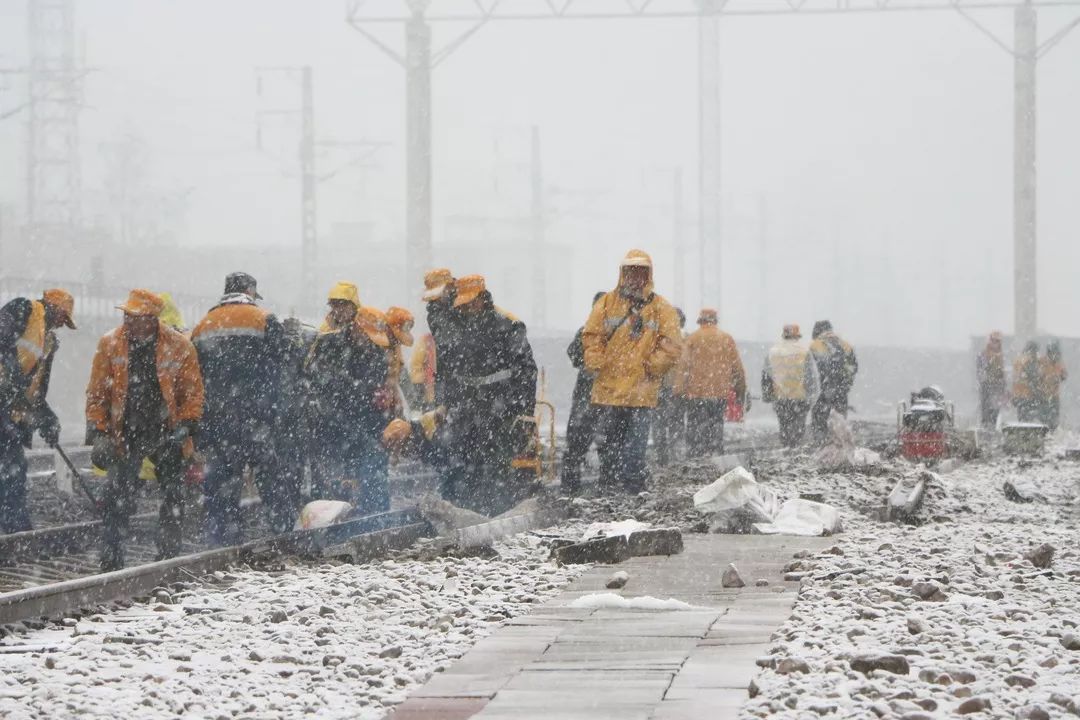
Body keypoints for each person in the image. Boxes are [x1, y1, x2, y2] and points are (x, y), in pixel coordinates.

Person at [86, 290, 204, 570]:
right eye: (127, 316)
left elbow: (192, 393)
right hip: (125, 432)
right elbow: (97, 393)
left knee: (173, 495)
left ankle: (167, 556)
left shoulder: (179, 346)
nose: (130, 321)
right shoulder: (110, 343)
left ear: (153, 319)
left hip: (166, 431)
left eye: (137, 317)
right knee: (118, 496)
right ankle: (111, 558)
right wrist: (98, 432)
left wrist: (186, 425)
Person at [191, 272, 289, 541]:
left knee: (221, 481)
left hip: (217, 418)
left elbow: (193, 374)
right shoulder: (263, 319)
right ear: (249, 290)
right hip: (258, 416)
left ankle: (221, 541)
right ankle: (283, 533)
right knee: (272, 478)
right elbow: (285, 360)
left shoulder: (203, 325)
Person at [582, 250, 682, 494]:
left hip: (640, 390)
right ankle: (610, 484)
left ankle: (631, 486)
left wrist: (651, 367)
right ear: (622, 274)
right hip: (611, 389)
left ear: (648, 275)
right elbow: (592, 336)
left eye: (640, 272)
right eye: (630, 271)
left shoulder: (661, 308)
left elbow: (671, 345)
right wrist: (596, 360)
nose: (634, 278)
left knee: (635, 444)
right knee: (609, 443)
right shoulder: (606, 303)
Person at [442, 275, 537, 515]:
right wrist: (447, 404)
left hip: (501, 409)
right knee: (465, 464)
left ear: (483, 299)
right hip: (466, 411)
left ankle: (495, 513)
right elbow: (448, 372)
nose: (467, 308)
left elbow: (526, 370)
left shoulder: (508, 327)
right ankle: (466, 512)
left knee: (496, 467)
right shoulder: (455, 331)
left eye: (471, 302)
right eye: (463, 304)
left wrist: (522, 410)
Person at [0, 289, 76, 533]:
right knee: (11, 468)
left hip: (9, 409)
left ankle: (15, 529)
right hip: (3, 402)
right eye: (63, 318)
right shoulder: (23, 308)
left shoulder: (49, 343)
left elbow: (36, 390)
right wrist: (10, 376)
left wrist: (47, 420)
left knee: (14, 469)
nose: (62, 324)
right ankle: (15, 528)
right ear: (54, 307)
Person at [303, 305, 390, 513]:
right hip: (328, 423)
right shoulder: (328, 344)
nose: (369, 342)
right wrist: (348, 387)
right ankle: (324, 525)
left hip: (362, 421)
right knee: (329, 481)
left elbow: (374, 388)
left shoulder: (377, 353)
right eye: (367, 336)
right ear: (357, 327)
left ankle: (372, 518)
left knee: (369, 473)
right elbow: (314, 380)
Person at [676, 308, 745, 456]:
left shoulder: (693, 339)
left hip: (696, 393)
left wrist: (679, 391)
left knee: (695, 427)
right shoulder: (726, 339)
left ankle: (696, 455)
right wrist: (741, 390)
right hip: (719, 392)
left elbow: (683, 367)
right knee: (716, 424)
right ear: (715, 321)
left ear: (700, 321)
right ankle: (715, 453)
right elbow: (737, 367)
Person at [560, 291, 606, 495]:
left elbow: (573, 355)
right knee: (609, 444)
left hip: (585, 394)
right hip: (609, 396)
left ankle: (570, 488)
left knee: (576, 444)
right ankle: (609, 485)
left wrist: (587, 364)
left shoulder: (586, 330)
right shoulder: (618, 333)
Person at [762, 324, 820, 448]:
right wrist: (812, 396)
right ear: (797, 336)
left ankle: (786, 446)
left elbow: (767, 375)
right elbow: (811, 376)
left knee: (784, 425)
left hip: (780, 397)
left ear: (784, 335)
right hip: (800, 398)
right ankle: (795, 448)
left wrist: (767, 395)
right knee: (798, 427)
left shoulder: (773, 352)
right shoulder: (804, 352)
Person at [809, 320, 858, 443]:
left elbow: (809, 371)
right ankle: (839, 450)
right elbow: (853, 368)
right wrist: (845, 385)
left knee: (819, 422)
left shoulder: (814, 345)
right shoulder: (846, 345)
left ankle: (822, 446)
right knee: (839, 423)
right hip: (841, 393)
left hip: (823, 392)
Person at [653, 308, 687, 466]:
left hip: (658, 385)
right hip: (678, 386)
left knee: (659, 421)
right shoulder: (686, 338)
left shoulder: (657, 337)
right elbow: (689, 364)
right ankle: (674, 453)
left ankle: (662, 454)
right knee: (677, 421)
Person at [422, 269, 461, 405]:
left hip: (458, 373)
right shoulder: (435, 313)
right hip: (448, 375)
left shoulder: (463, 303)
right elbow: (450, 338)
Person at [384, 306, 415, 417]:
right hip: (380, 403)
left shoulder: (394, 345)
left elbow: (401, 373)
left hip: (389, 402)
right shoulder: (380, 346)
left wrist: (415, 405)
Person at [976, 331, 1007, 430]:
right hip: (987, 385)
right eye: (994, 340)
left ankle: (992, 426)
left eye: (998, 341)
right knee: (986, 408)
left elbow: (1002, 372)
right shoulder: (984, 354)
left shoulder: (1001, 355)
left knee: (995, 408)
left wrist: (1002, 383)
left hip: (997, 386)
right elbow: (980, 370)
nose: (995, 343)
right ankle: (986, 426)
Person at [1038, 340, 1067, 430]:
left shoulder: (1059, 363)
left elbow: (1064, 375)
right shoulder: (1042, 361)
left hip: (1054, 395)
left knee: (1053, 417)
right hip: (1043, 394)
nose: (1054, 355)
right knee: (1044, 417)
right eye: (1052, 352)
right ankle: (1045, 431)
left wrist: (1059, 377)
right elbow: (1037, 375)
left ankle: (1052, 431)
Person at [1012, 341, 1041, 423]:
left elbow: (1016, 379)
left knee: (1021, 419)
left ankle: (1022, 433)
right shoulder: (1030, 361)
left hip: (1019, 395)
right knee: (1029, 421)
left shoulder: (1018, 360)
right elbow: (1033, 379)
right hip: (1028, 395)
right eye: (1035, 351)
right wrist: (1037, 393)